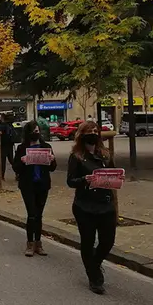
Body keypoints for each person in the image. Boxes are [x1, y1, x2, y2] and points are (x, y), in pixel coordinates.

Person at [67, 121, 119, 294]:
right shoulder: (76, 156)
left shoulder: (105, 154)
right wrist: (85, 180)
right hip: (85, 206)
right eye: (89, 131)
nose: (93, 133)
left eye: (96, 130)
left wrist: (117, 179)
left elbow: (112, 174)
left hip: (105, 204)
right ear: (82, 135)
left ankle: (94, 264)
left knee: (107, 241)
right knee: (88, 242)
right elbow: (71, 181)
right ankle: (94, 278)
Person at [12, 121, 57, 257]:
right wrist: (22, 161)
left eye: (38, 131)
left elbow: (52, 168)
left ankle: (38, 242)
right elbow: (16, 167)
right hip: (28, 185)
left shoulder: (46, 146)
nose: (36, 133)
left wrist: (52, 160)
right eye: (33, 131)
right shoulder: (21, 148)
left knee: (39, 215)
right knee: (31, 214)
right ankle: (30, 243)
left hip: (42, 185)